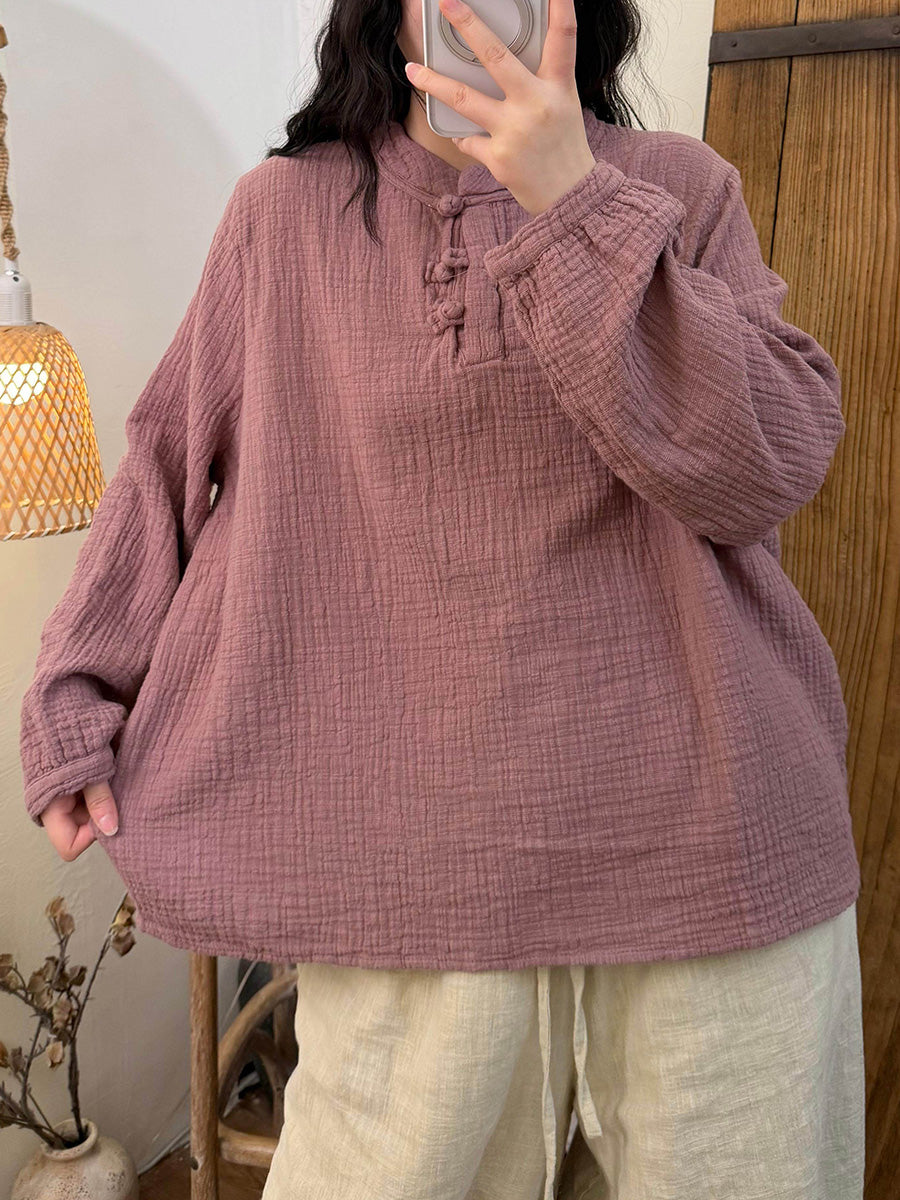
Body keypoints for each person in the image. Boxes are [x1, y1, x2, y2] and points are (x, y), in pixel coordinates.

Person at [20, 0, 865, 1195]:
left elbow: (768, 463)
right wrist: (73, 694)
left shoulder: (681, 186)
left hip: (713, 854)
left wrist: (573, 204)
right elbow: (166, 463)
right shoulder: (286, 216)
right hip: (412, 871)